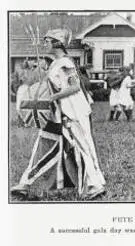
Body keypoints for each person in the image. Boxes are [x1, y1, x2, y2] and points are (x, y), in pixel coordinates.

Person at [10, 36, 105, 200]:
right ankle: (24, 184)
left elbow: (74, 86)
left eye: (47, 41)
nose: (44, 44)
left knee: (82, 147)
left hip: (72, 112)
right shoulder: (55, 63)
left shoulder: (66, 63)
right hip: (56, 113)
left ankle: (95, 185)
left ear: (57, 43)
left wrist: (52, 98)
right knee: (43, 143)